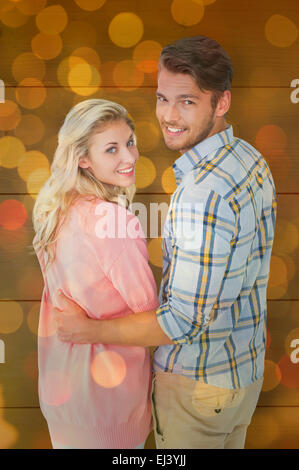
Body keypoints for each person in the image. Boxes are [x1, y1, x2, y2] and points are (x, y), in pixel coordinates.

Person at [53, 36, 277, 449]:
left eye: (187, 102)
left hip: (197, 387)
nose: (169, 116)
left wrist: (86, 330)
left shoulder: (201, 195)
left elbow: (180, 323)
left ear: (221, 103)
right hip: (243, 375)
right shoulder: (250, 159)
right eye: (162, 98)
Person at [32, 98, 165, 449]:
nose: (129, 157)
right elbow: (155, 320)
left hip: (64, 401)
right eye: (112, 149)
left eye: (130, 142)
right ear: (84, 159)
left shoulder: (54, 211)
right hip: (110, 412)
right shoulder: (114, 221)